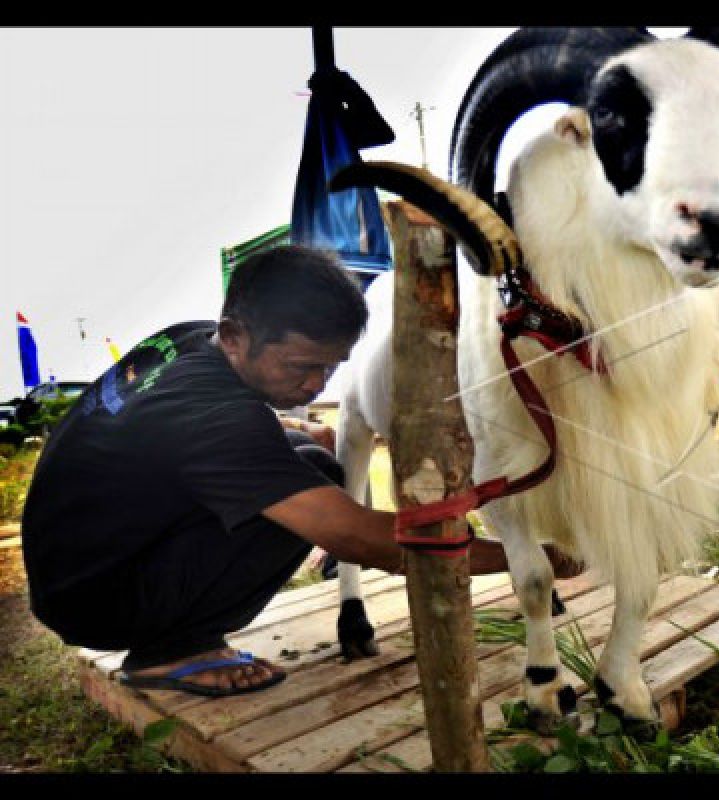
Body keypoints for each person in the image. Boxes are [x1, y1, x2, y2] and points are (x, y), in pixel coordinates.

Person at [21, 245, 579, 698]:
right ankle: (167, 650)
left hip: (80, 555)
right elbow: (354, 536)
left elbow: (174, 438)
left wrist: (300, 430)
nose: (315, 386)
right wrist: (524, 559)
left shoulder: (192, 339)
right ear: (236, 335)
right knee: (311, 496)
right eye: (301, 367)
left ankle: (169, 624)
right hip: (97, 597)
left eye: (331, 369)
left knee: (314, 460)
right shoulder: (216, 420)